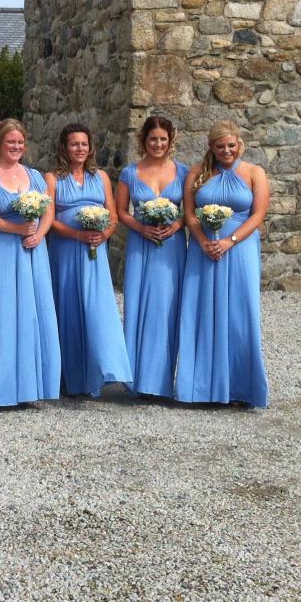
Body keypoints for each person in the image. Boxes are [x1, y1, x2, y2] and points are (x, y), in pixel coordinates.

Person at [175, 121, 270, 408]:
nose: (226, 150)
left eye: (231, 145)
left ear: (239, 143)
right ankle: (200, 387)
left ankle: (242, 386)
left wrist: (230, 240)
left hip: (240, 249)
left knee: (241, 312)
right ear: (212, 148)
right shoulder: (197, 173)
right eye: (220, 146)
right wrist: (203, 240)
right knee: (201, 311)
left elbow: (258, 214)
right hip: (203, 250)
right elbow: (189, 214)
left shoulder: (255, 173)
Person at [0, 119, 62, 407]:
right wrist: (16, 229)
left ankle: (35, 387)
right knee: (3, 314)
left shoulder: (35, 176)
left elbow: (48, 210)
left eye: (20, 142)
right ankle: (5, 389)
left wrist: (39, 234)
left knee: (35, 312)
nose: (16, 147)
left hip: (32, 249)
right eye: (10, 142)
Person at [44, 123, 132, 397]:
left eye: (84, 144)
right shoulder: (52, 178)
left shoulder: (102, 177)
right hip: (66, 250)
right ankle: (67, 377)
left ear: (90, 147)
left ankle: (99, 370)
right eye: (74, 144)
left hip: (95, 252)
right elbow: (48, 219)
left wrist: (104, 233)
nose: (79, 149)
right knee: (68, 304)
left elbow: (114, 213)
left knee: (96, 307)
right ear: (64, 147)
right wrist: (75, 234)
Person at [116, 115, 189, 399]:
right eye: (153, 139)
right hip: (140, 244)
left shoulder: (183, 172)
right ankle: (136, 379)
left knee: (168, 307)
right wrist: (141, 228)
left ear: (170, 142)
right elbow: (122, 211)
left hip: (171, 248)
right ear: (143, 141)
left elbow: (189, 211)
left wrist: (178, 224)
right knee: (139, 305)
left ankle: (161, 381)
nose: (158, 144)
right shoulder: (129, 173)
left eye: (163, 139)